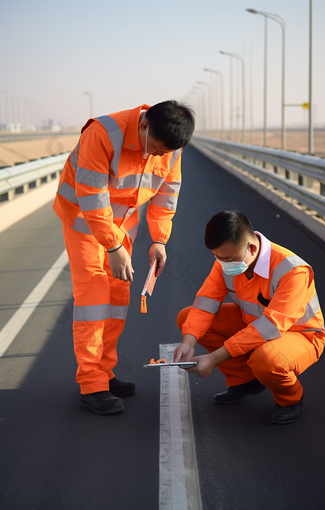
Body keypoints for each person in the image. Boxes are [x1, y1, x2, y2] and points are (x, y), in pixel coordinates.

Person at [53, 100, 195, 415]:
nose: (157, 156)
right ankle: (91, 386)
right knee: (94, 297)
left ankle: (105, 372)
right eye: (156, 149)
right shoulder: (102, 133)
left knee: (118, 296)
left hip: (121, 227)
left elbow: (166, 194)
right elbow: (90, 193)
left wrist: (159, 239)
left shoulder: (170, 147)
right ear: (144, 125)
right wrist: (113, 247)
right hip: (84, 222)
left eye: (164, 153)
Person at [174, 210, 325, 424]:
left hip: (301, 335)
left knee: (266, 359)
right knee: (187, 317)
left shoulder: (292, 270)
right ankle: (245, 381)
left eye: (227, 258)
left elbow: (271, 326)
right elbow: (206, 301)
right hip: (253, 324)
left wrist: (213, 359)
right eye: (217, 257)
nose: (222, 263)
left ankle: (290, 399)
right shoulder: (226, 261)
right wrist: (189, 342)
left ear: (251, 248)